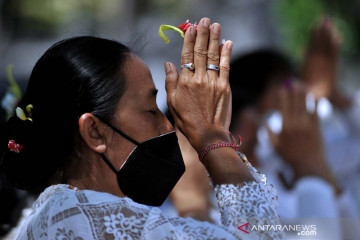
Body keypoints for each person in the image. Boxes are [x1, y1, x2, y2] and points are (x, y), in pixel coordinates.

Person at [1, 18, 282, 239]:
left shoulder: (60, 213)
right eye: (150, 111)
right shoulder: (79, 217)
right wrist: (213, 137)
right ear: (95, 132)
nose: (166, 125)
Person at [229, 18, 360, 239]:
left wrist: (335, 95)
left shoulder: (278, 158)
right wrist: (311, 170)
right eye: (287, 86)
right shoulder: (234, 197)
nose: (295, 92)